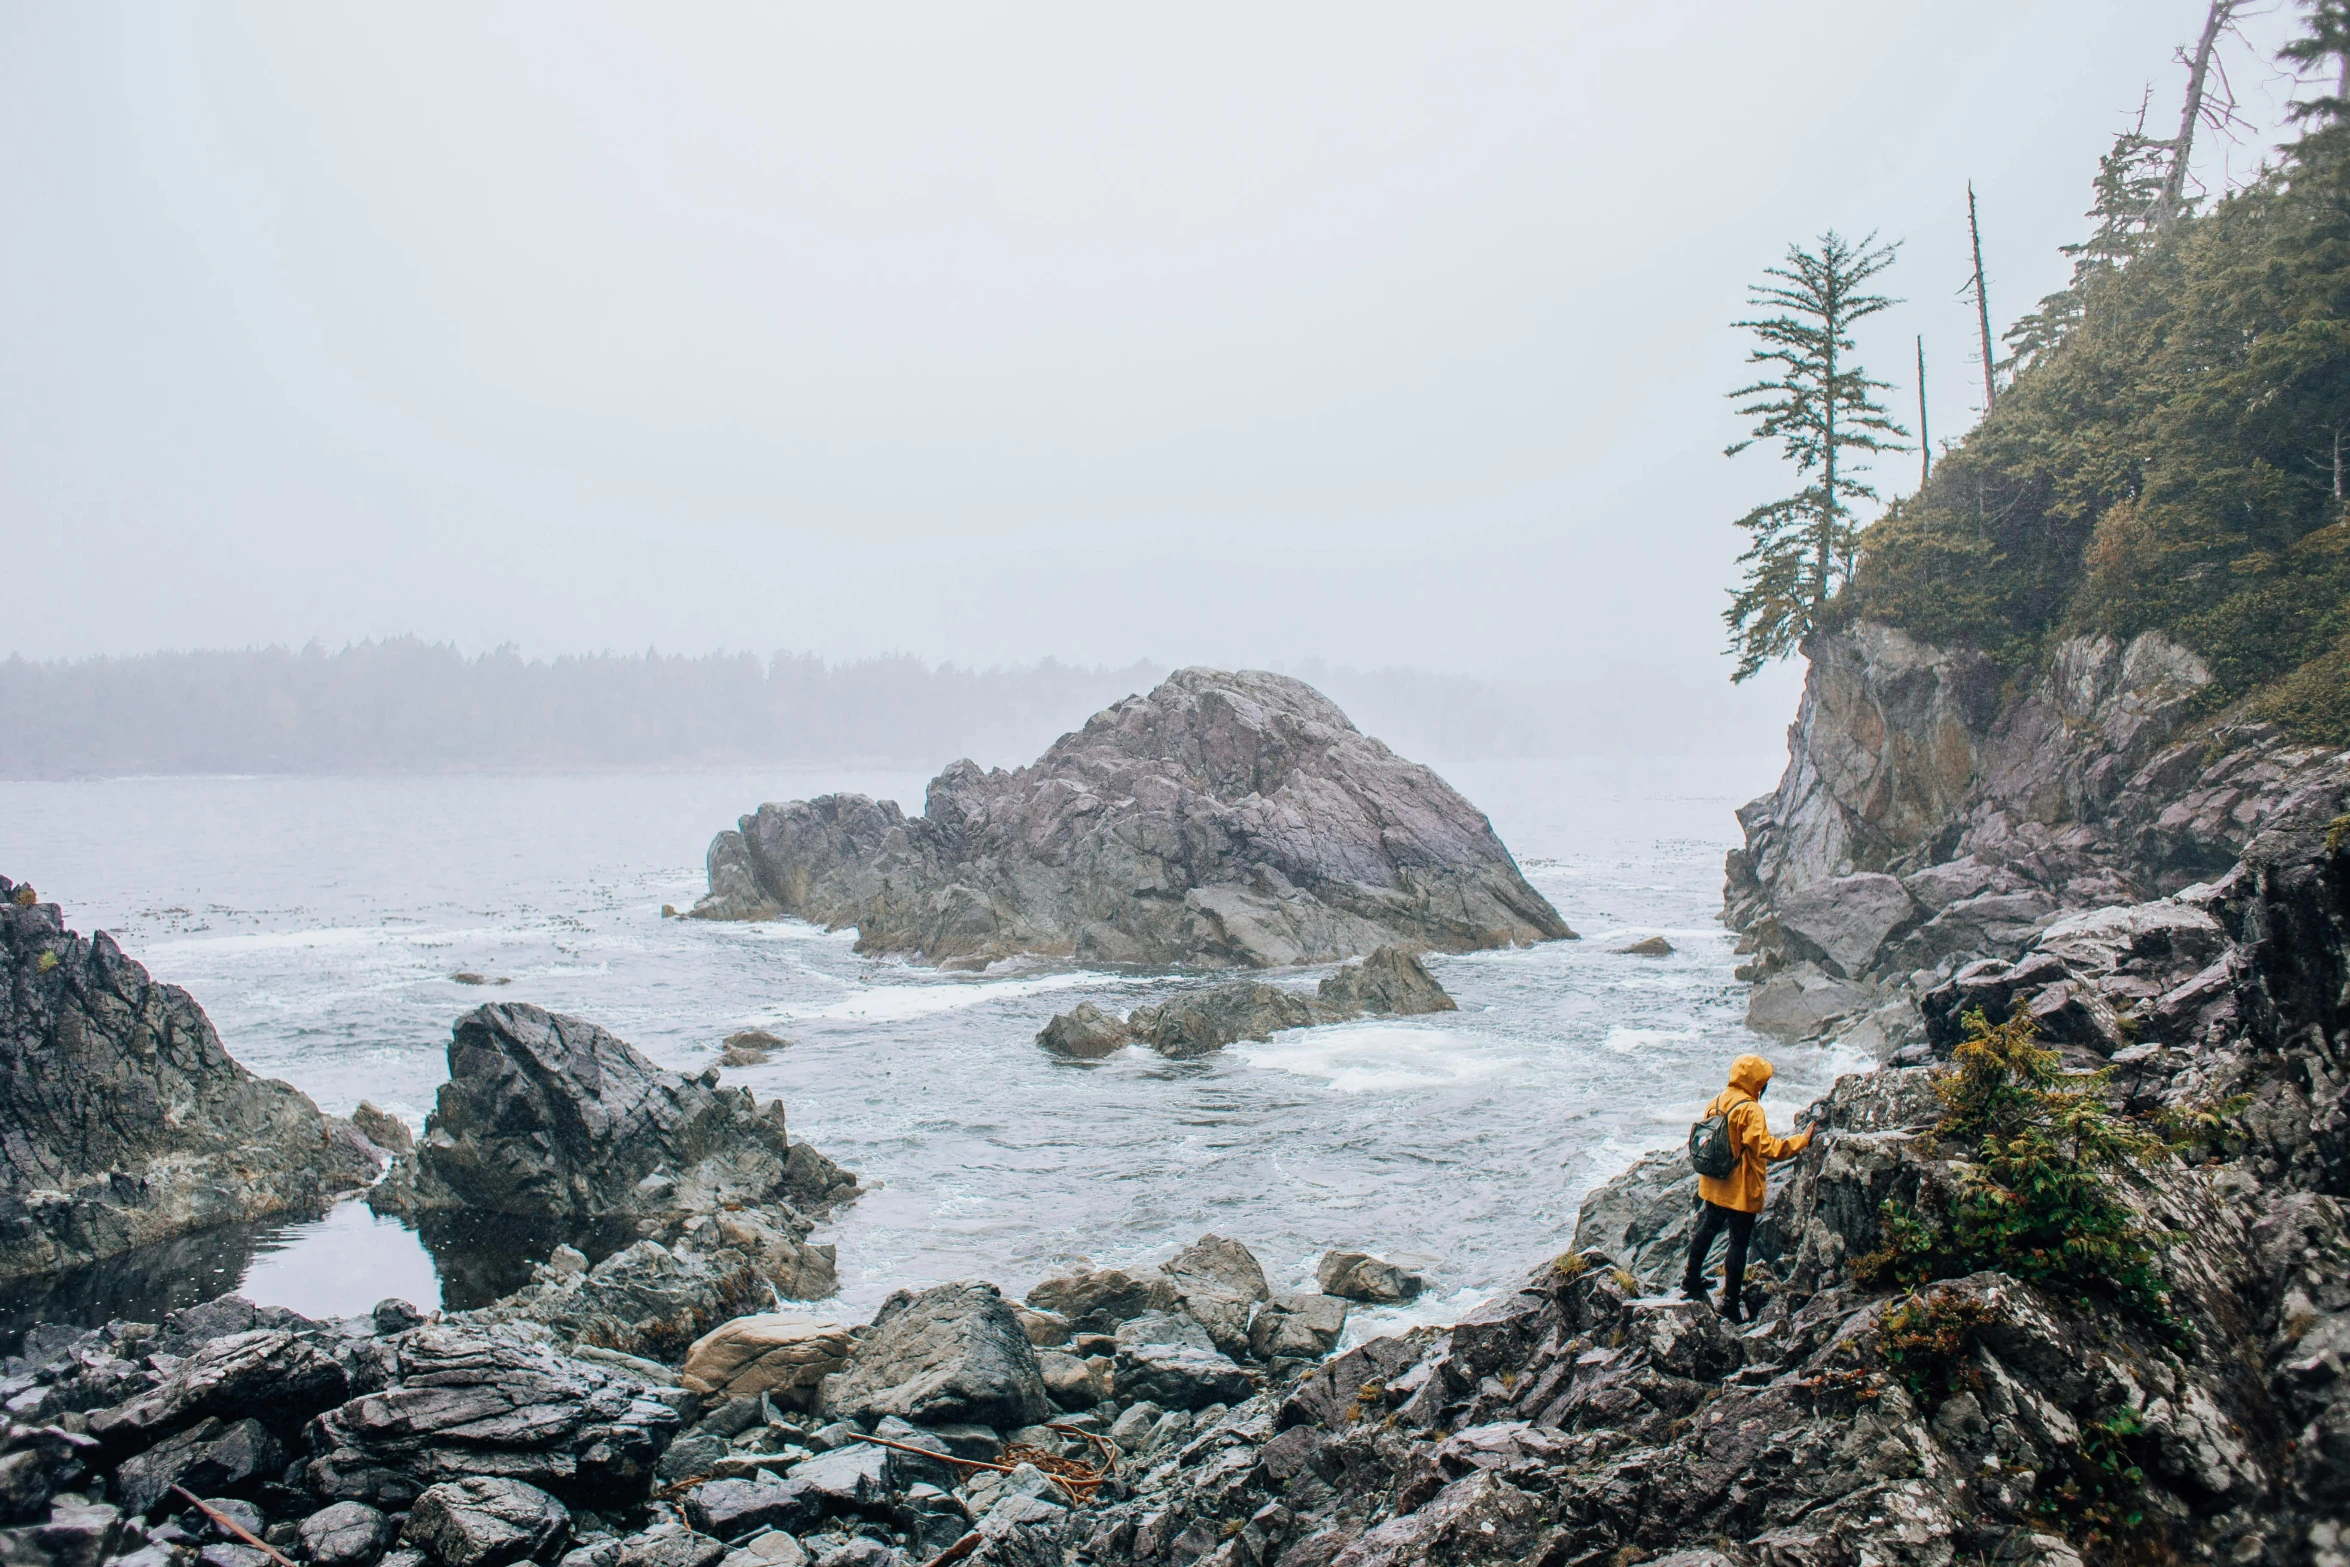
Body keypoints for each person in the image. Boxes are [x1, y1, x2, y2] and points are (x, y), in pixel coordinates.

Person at [1681, 1053, 1814, 1322]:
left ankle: (1690, 1278)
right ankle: (1729, 1303)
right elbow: (1765, 1147)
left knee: (1708, 1226)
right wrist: (1801, 1142)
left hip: (1714, 1182)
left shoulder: (1716, 1100)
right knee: (1738, 1242)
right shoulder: (1751, 1110)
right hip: (1739, 1189)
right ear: (1757, 1083)